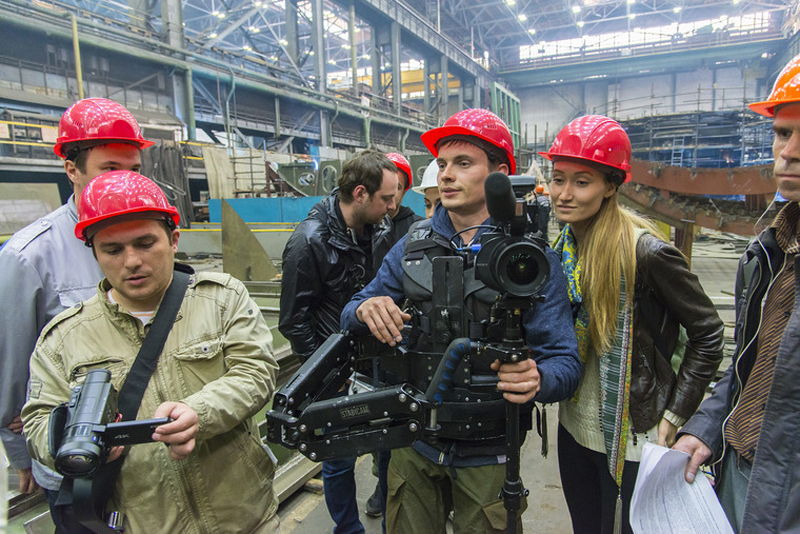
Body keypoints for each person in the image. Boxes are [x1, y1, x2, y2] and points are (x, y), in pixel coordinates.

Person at [340, 108, 582, 534]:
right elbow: (351, 310)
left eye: (463, 164)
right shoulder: (411, 246)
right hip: (412, 442)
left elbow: (565, 359)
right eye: (443, 164)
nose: (446, 175)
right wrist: (365, 308)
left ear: (499, 176)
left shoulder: (530, 259)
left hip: (490, 453)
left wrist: (539, 378)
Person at [21, 171, 280, 533]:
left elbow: (255, 372)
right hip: (145, 522)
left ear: (173, 239)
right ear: (94, 252)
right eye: (112, 249)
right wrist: (78, 442)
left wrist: (199, 412)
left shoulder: (221, 298)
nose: (131, 261)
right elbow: (37, 423)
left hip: (243, 515)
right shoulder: (65, 338)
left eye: (145, 243)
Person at [542, 115, 725, 534]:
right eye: (558, 179)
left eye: (581, 181)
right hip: (575, 424)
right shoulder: (562, 248)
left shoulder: (646, 253)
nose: (563, 194)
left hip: (633, 432)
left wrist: (677, 412)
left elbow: (708, 333)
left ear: (610, 185)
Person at [0, 98, 151, 525]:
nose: (124, 182)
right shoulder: (29, 257)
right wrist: (20, 455)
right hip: (80, 459)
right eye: (110, 169)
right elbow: (11, 369)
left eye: (134, 170)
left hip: (151, 452)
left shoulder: (148, 235)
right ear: (72, 169)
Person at [674, 53, 800, 532]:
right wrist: (705, 429)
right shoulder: (772, 250)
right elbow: (752, 363)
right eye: (782, 132)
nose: (789, 151)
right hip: (740, 472)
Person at [280, 149, 398, 534]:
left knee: (388, 443)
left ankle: (389, 514)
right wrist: (327, 373)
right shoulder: (308, 241)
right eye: (386, 198)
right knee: (338, 457)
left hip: (378, 360)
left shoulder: (378, 229)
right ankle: (348, 529)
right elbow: (294, 322)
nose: (393, 206)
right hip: (335, 371)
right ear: (360, 193)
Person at [364, 152, 422, 521]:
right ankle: (382, 484)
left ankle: (388, 484)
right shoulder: (373, 225)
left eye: (398, 190)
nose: (393, 199)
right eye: (387, 192)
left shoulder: (415, 231)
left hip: (402, 342)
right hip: (376, 340)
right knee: (380, 422)